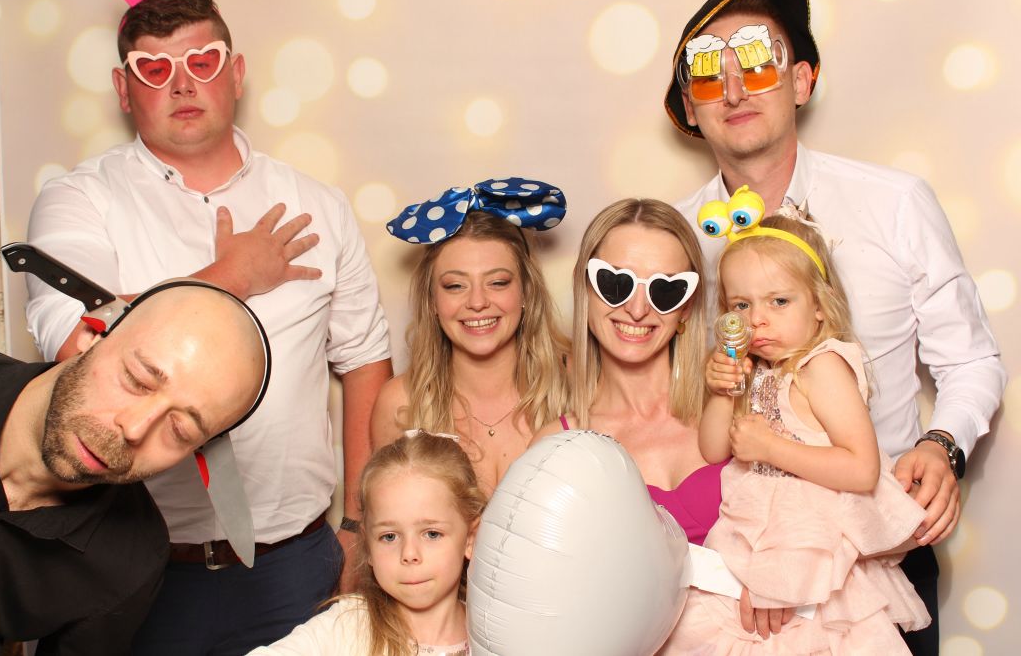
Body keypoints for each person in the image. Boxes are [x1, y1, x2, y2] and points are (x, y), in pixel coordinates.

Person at [24, 0, 392, 654]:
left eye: (202, 61)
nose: (182, 84)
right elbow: (78, 347)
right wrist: (231, 277)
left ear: (236, 73)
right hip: (128, 567)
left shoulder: (317, 205)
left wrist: (359, 526)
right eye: (154, 68)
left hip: (294, 566)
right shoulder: (78, 200)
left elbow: (366, 360)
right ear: (123, 88)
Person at [664, 0, 1005, 649]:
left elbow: (971, 359)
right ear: (690, 108)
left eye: (757, 62)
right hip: (738, 557)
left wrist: (942, 446)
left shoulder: (895, 203)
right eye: (708, 75)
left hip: (874, 555)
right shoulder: (672, 241)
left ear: (802, 80)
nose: (734, 90)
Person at [663, 194, 930, 654]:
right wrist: (722, 390)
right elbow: (713, 450)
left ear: (820, 304)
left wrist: (771, 448)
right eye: (741, 305)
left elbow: (862, 469)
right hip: (755, 538)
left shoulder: (822, 366)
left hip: (817, 546)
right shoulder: (758, 369)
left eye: (779, 301)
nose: (757, 319)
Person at [0, 282, 269, 654]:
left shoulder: (129, 564)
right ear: (92, 335)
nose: (134, 428)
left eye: (180, 431)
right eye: (137, 380)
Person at [534, 198, 723, 547]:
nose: (637, 310)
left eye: (665, 290)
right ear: (585, 289)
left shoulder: (735, 404)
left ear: (686, 307)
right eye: (616, 283)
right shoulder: (555, 447)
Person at [371, 179, 569, 494]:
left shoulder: (578, 387)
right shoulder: (399, 404)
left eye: (498, 282)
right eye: (455, 285)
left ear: (526, 292)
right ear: (432, 301)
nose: (477, 302)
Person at [249, 430, 485, 656]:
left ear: (470, 538)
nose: (409, 553)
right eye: (389, 536)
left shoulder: (493, 635)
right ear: (369, 544)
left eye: (432, 534)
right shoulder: (345, 627)